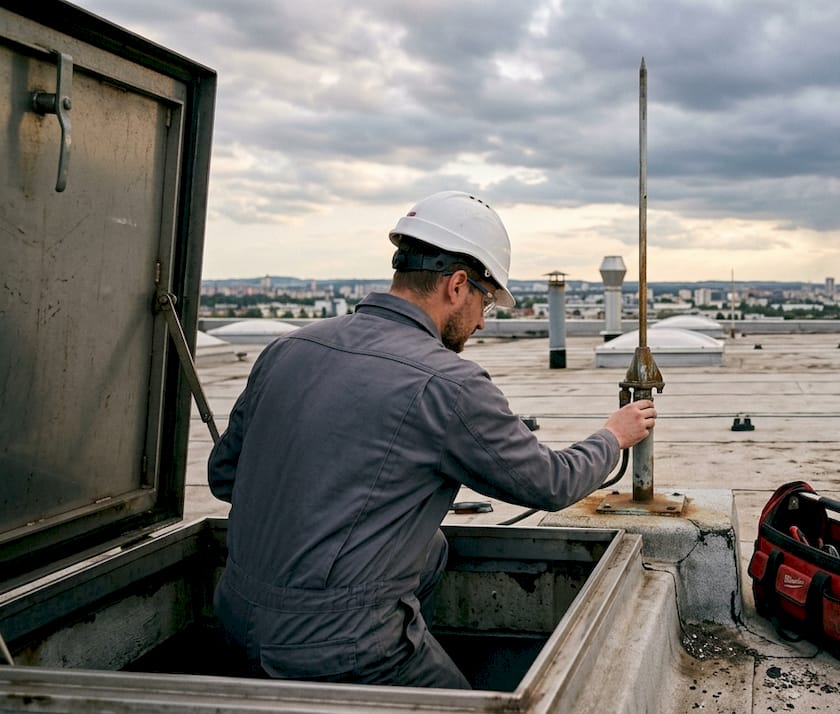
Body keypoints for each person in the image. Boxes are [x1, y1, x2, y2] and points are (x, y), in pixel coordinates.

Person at [207, 190, 657, 688]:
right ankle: (391, 648)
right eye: (485, 300)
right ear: (458, 285)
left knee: (432, 548)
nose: (484, 320)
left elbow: (224, 477)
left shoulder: (285, 348)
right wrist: (613, 436)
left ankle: (402, 631)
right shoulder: (450, 384)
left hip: (234, 616)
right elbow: (548, 484)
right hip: (338, 645)